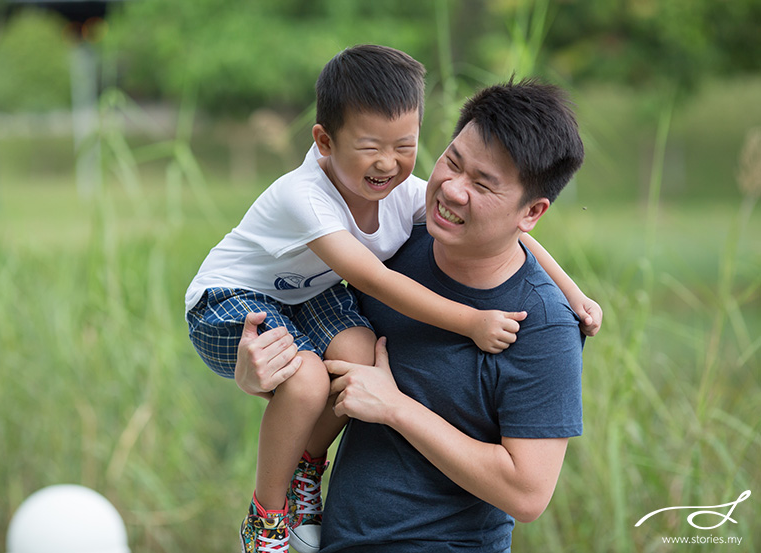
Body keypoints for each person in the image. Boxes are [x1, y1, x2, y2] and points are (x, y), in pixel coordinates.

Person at [187, 45, 599, 553]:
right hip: (334, 537)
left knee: (354, 350)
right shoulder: (397, 237)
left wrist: (572, 293)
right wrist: (253, 381)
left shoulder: (542, 323)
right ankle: (277, 509)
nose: (451, 190)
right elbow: (316, 366)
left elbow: (528, 494)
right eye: (452, 162)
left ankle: (288, 496)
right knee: (335, 360)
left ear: (530, 211)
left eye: (483, 184)